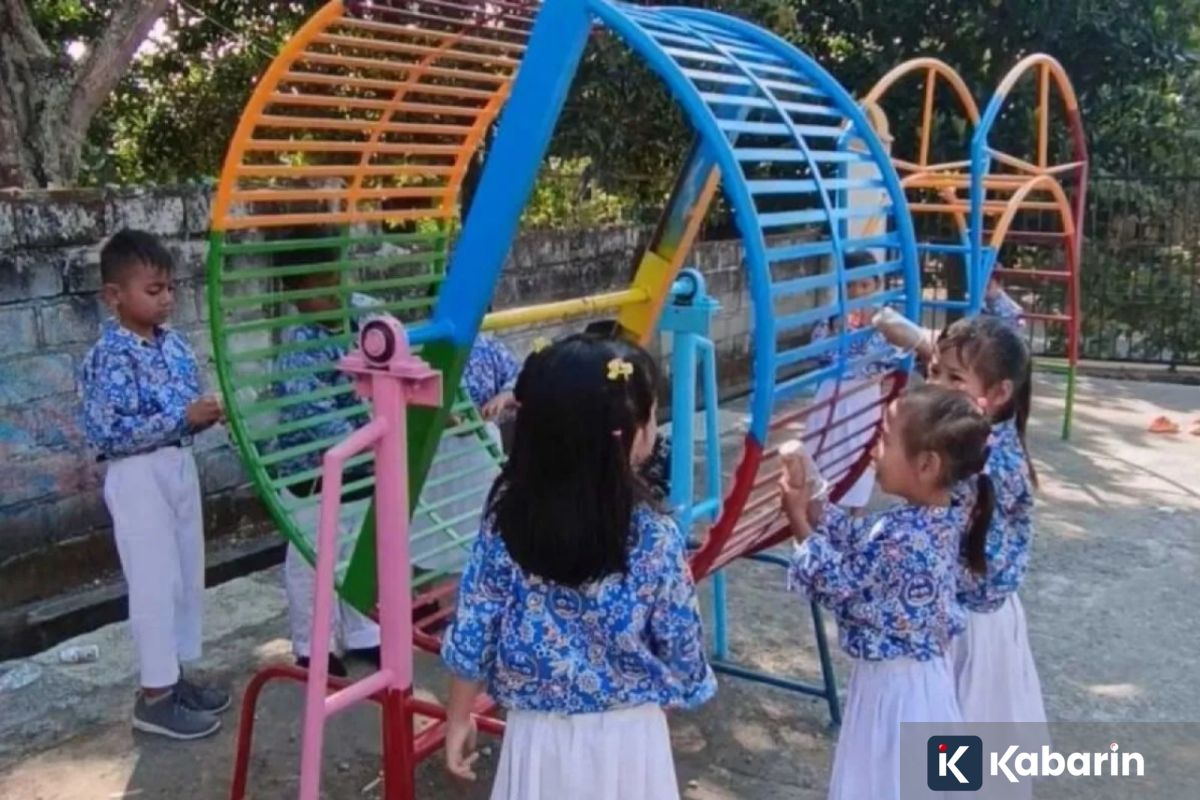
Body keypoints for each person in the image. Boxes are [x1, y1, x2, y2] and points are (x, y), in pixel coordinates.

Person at [440, 335, 716, 800]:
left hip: (536, 736)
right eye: (651, 416)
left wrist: (458, 716)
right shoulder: (654, 536)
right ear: (627, 434)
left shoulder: (508, 519)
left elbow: (474, 623)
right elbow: (680, 637)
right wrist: (683, 688)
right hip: (629, 738)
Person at [779, 384, 994, 800]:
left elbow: (840, 584)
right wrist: (817, 502)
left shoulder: (905, 538)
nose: (875, 449)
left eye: (886, 440)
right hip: (924, 685)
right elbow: (859, 539)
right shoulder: (931, 518)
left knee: (885, 784)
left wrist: (799, 522)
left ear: (927, 464)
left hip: (896, 695)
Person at [80, 229, 230, 740]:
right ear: (114, 295)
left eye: (169, 288)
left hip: (177, 466)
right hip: (138, 474)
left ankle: (174, 675)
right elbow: (108, 432)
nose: (166, 298)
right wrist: (183, 417)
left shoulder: (174, 345)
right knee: (152, 582)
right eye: (153, 290)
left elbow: (188, 407)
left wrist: (207, 414)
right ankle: (155, 697)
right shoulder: (110, 356)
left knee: (184, 575)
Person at [927, 316, 1047, 729]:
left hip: (971, 625)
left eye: (954, 378)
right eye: (934, 371)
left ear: (999, 393)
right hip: (975, 614)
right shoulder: (978, 437)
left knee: (961, 735)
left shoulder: (982, 463)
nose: (936, 386)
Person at [806, 251, 899, 513]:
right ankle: (822, 514)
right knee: (824, 452)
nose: (857, 291)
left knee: (860, 453)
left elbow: (894, 358)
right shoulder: (832, 318)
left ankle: (856, 516)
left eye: (864, 285)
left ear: (876, 285)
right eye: (849, 285)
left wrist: (873, 328)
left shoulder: (887, 320)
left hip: (864, 396)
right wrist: (835, 330)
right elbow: (816, 353)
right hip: (831, 394)